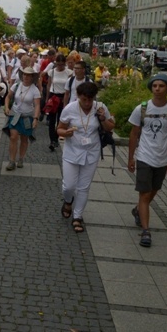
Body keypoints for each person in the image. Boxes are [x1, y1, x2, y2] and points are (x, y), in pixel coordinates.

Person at [127, 74, 167, 248]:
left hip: (162, 158)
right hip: (145, 156)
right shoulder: (141, 109)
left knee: (154, 190)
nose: (157, 89)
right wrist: (131, 157)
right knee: (144, 194)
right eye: (155, 86)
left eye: (161, 86)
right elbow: (134, 134)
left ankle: (138, 210)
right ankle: (146, 231)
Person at [57, 82, 115, 233]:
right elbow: (59, 129)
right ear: (78, 96)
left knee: (84, 187)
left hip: (91, 152)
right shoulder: (70, 109)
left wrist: (103, 119)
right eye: (84, 99)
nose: (88, 103)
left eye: (90, 99)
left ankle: (77, 216)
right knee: (68, 186)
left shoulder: (100, 107)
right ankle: (68, 201)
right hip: (72, 151)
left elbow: (110, 127)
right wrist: (66, 133)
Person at [4, 67, 40, 170]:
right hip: (15, 115)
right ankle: (11, 161)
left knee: (24, 138)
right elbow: (8, 97)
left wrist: (36, 118)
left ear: (32, 77)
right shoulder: (16, 86)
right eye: (24, 74)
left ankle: (21, 158)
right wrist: (6, 107)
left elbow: (37, 105)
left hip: (27, 117)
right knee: (13, 137)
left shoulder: (35, 90)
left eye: (28, 75)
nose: (26, 77)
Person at [43, 53, 73, 151]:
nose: (60, 66)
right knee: (52, 120)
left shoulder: (69, 72)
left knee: (61, 119)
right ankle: (53, 140)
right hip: (54, 95)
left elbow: (69, 88)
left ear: (65, 64)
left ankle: (57, 136)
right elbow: (49, 85)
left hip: (63, 96)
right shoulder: (52, 72)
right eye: (58, 64)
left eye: (62, 64)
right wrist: (47, 97)